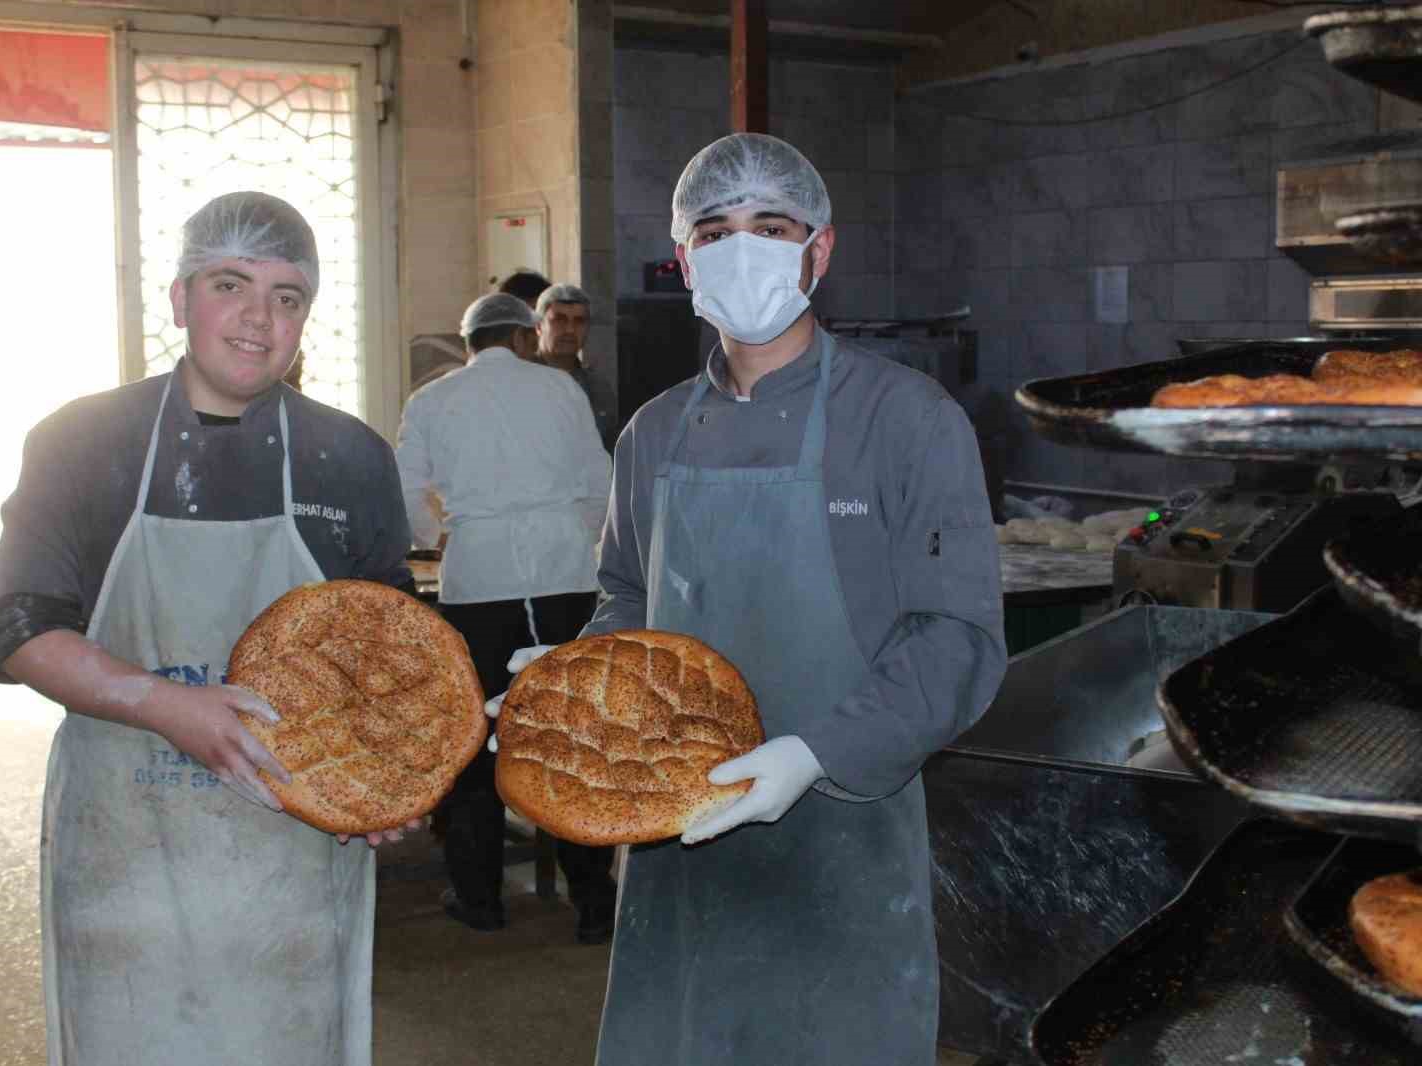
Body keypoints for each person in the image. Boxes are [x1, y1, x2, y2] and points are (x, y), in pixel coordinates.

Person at [488, 134, 1007, 1064]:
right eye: (714, 231)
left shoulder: (906, 419)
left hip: (844, 833)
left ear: (820, 249)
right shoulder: (653, 434)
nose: (742, 249)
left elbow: (956, 638)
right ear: (685, 259)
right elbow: (630, 599)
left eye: (771, 227)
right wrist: (575, 681)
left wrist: (813, 755)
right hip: (673, 835)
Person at [0, 191, 417, 1066]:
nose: (258, 318)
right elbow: (17, 628)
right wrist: (164, 705)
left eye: (287, 296)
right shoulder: (81, 442)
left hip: (292, 861)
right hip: (127, 858)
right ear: (180, 299)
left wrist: (387, 776)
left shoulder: (350, 456)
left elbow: (391, 650)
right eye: (229, 285)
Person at [394, 293, 617, 943]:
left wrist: (437, 536)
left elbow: (405, 490)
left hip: (478, 582)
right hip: (563, 578)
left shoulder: (431, 400)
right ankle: (593, 902)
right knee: (571, 734)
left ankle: (480, 897)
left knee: (476, 738)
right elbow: (599, 484)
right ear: (524, 338)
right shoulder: (560, 390)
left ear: (469, 345)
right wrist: (573, 538)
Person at [534, 282, 618, 452]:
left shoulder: (599, 388)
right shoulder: (519, 381)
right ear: (538, 326)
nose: (570, 330)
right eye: (559, 320)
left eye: (579, 321)